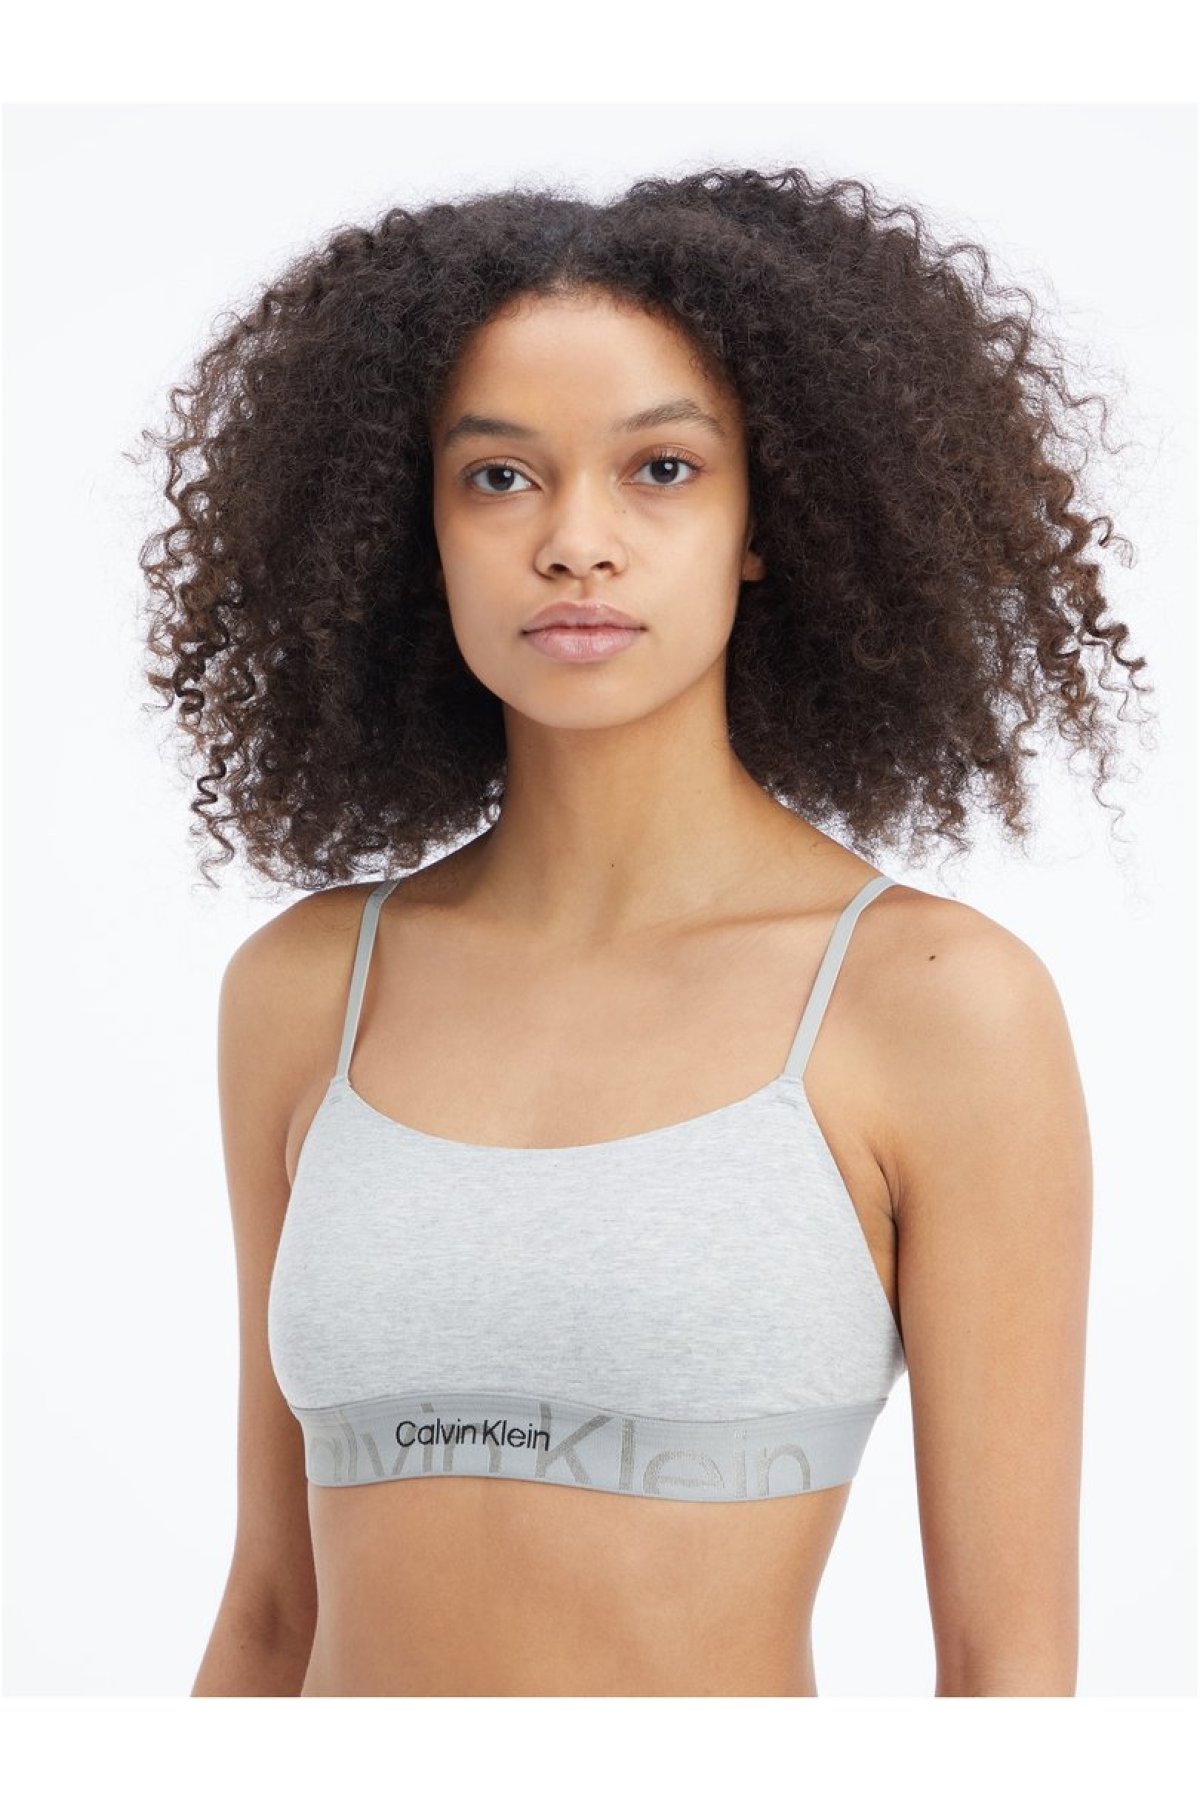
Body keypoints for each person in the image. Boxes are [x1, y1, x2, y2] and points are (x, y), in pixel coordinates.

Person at [136, 165, 1147, 1697]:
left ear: (764, 518)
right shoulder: (306, 990)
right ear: (418, 526)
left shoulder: (936, 1005)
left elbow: (1009, 1672)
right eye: (499, 476)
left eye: (661, 469)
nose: (576, 542)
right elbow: (273, 1613)